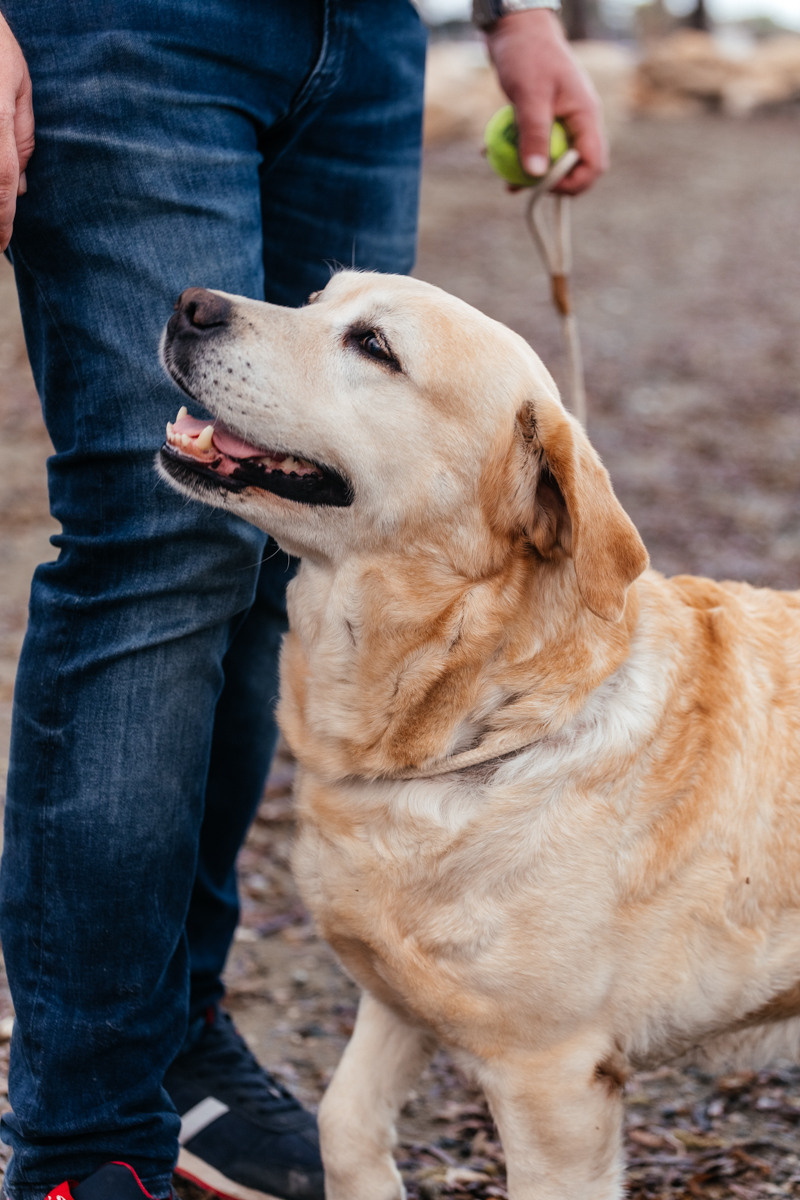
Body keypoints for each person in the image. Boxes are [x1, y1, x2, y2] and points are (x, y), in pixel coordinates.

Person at [0, 4, 606, 1200]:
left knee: (296, 527)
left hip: (366, 35)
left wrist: (515, 13)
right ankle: (84, 1130)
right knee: (159, 547)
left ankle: (173, 1049)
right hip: (119, 26)